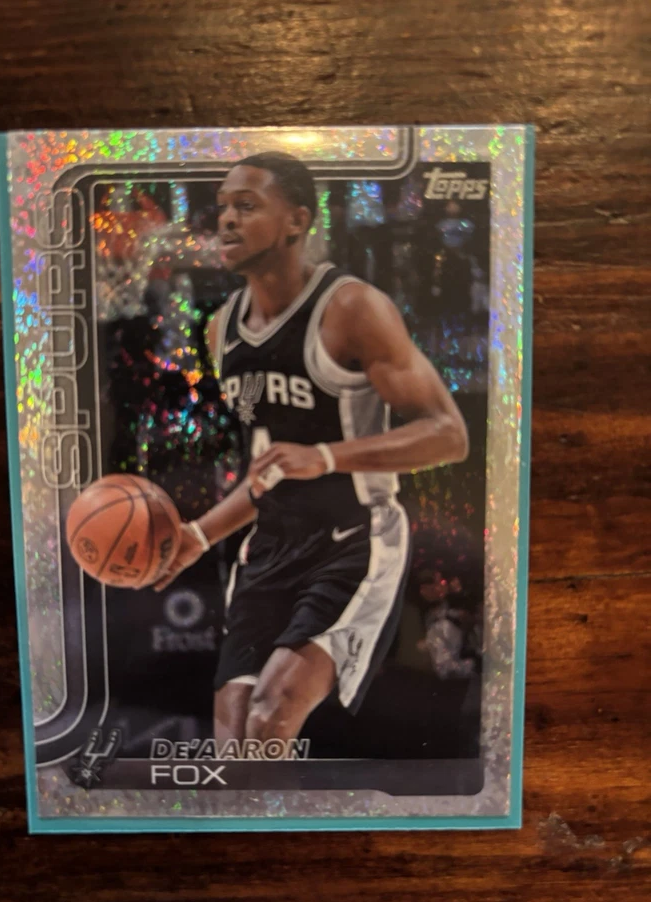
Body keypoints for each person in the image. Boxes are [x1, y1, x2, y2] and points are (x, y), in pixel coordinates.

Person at [152, 152, 469, 748]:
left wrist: (325, 457)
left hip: (353, 538)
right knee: (233, 741)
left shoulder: (351, 308)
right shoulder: (222, 329)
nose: (226, 220)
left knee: (271, 711)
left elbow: (448, 435)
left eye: (247, 206)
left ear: (297, 220)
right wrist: (200, 534)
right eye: (222, 207)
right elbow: (267, 473)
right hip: (269, 547)